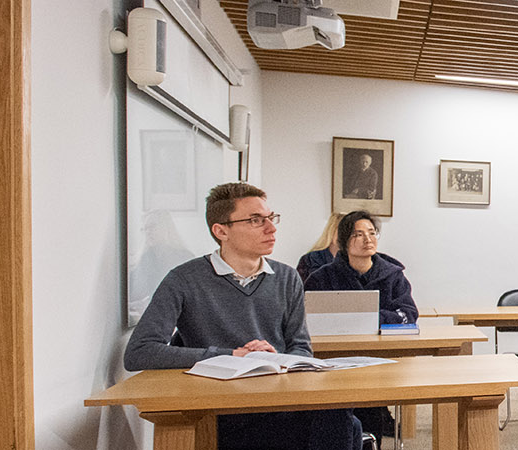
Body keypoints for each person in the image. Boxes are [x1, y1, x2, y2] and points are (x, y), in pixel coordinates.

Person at [124, 182, 361, 450]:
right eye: (255, 220)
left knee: (340, 413)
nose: (271, 228)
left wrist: (275, 358)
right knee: (341, 426)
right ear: (221, 230)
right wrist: (231, 356)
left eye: (271, 218)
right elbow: (139, 352)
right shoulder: (183, 279)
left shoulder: (287, 277)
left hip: (279, 398)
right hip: (220, 406)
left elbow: (301, 348)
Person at [304, 210, 419, 438]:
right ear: (344, 242)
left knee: (372, 407)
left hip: (381, 359)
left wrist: (369, 319)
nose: (368, 239)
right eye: (358, 234)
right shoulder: (321, 277)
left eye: (372, 233)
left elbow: (408, 314)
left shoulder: (394, 275)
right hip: (333, 361)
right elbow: (308, 318)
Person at [296, 212, 346, 283]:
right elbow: (298, 289)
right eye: (342, 230)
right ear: (331, 231)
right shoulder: (310, 259)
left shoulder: (356, 260)